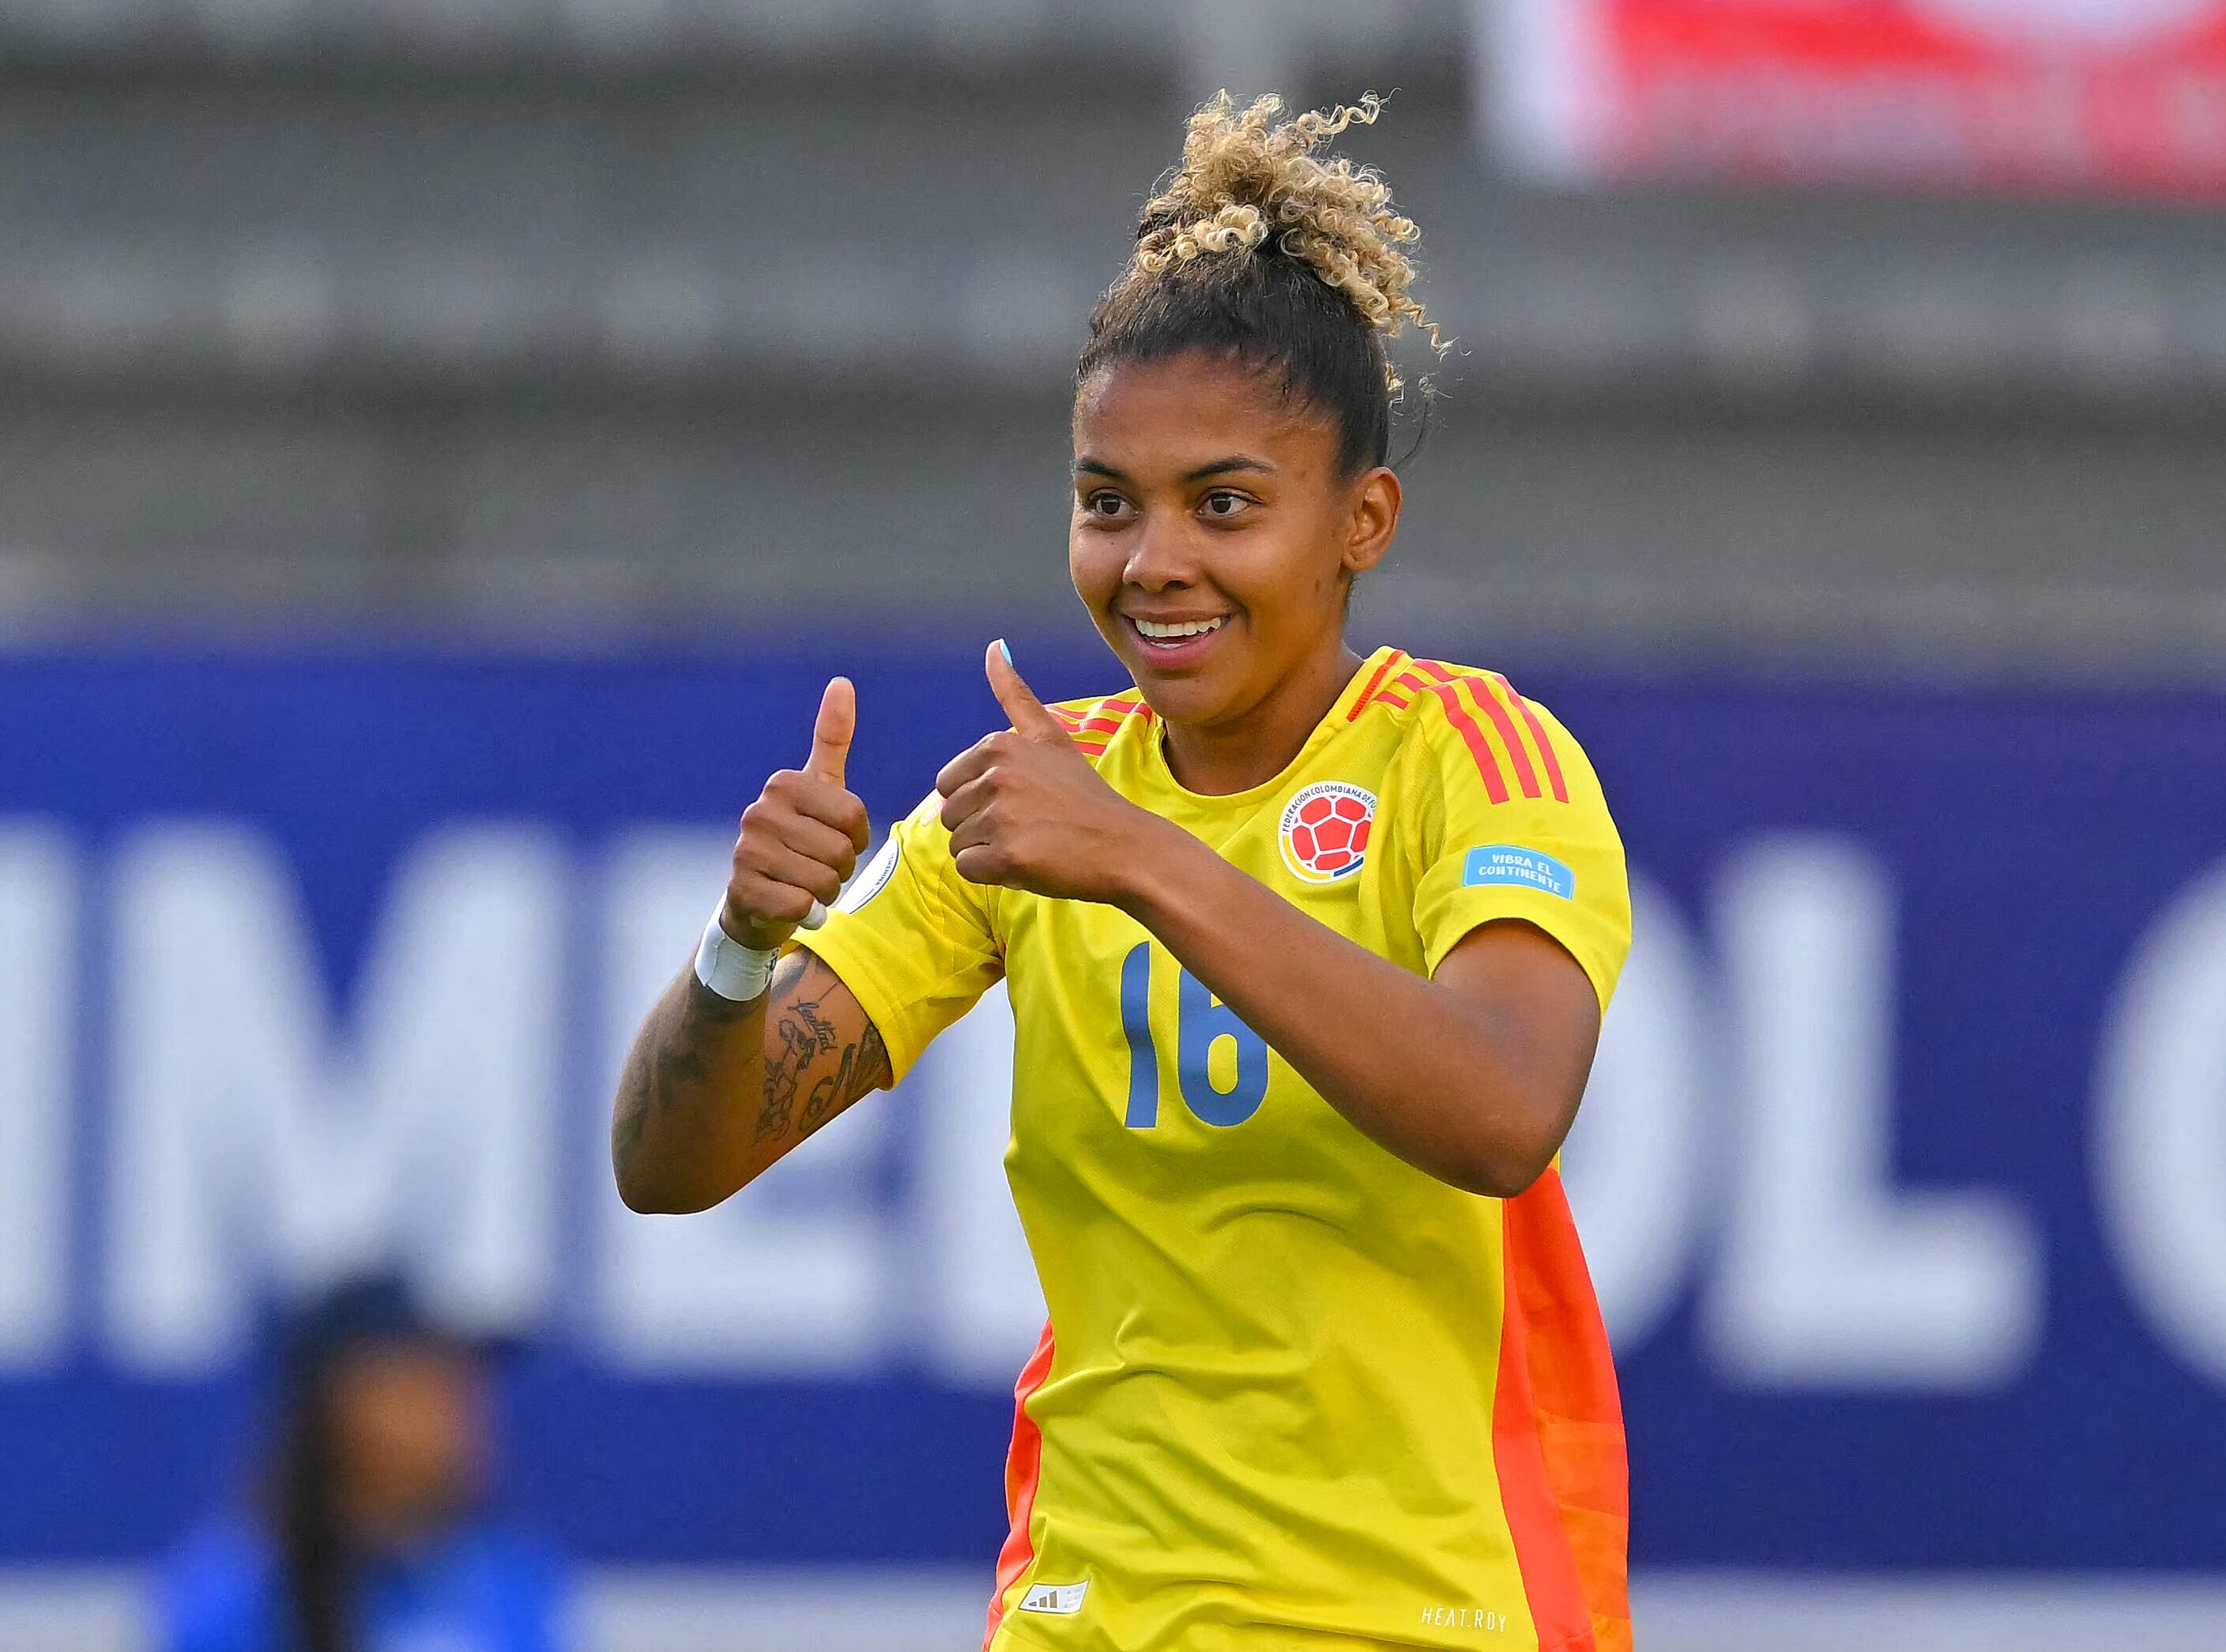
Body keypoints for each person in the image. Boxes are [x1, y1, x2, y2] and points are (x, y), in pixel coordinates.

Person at [612, 91, 1633, 1652]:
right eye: (1106, 503)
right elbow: (667, 1167)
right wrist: (744, 941)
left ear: (1359, 521)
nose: (1151, 558)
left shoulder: (1468, 760)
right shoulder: (1029, 799)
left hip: (1422, 1614)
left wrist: (1148, 862)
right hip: (1088, 1612)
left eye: (1222, 503)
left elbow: (1500, 1110)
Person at [156, 1277, 566, 1652]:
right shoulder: (238, 1589)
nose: (466, 1410)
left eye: (469, 1386)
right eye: (429, 1383)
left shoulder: (513, 1579)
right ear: (341, 1406)